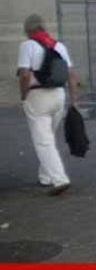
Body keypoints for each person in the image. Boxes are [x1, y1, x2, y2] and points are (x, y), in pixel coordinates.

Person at [17, 14, 79, 196]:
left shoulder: (27, 46)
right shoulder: (59, 46)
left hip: (37, 96)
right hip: (59, 95)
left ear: (28, 30)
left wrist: (23, 96)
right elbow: (71, 75)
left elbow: (25, 75)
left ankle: (60, 179)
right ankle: (45, 177)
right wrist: (74, 101)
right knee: (49, 137)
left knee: (43, 142)